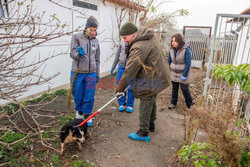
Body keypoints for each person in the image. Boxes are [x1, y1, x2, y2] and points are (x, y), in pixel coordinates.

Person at [116, 22, 171, 142]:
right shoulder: (150, 36)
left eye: (125, 38)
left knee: (146, 99)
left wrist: (120, 87)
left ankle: (143, 132)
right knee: (151, 98)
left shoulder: (139, 46)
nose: (124, 41)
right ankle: (151, 125)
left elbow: (130, 69)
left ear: (133, 34)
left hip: (152, 76)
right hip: (158, 74)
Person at [70, 16, 100, 127]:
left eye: (95, 30)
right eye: (91, 29)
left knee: (89, 95)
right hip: (78, 73)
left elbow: (97, 59)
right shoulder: (77, 37)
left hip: (91, 73)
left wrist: (97, 73)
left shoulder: (96, 42)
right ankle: (79, 112)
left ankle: (87, 114)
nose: (93, 32)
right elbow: (72, 54)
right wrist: (78, 54)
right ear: (86, 28)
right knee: (78, 94)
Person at [167, 33, 194, 110]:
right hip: (174, 72)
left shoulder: (186, 49)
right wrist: (169, 69)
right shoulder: (171, 49)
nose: (173, 43)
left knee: (184, 89)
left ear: (179, 41)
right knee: (174, 88)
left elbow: (188, 63)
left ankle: (190, 105)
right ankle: (173, 103)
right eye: (172, 41)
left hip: (183, 72)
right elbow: (169, 60)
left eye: (175, 41)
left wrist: (185, 75)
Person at [111, 40, 135, 113]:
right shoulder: (121, 42)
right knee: (120, 85)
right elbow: (117, 55)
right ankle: (121, 103)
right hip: (121, 67)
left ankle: (130, 105)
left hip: (130, 67)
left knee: (130, 87)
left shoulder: (134, 42)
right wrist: (113, 66)